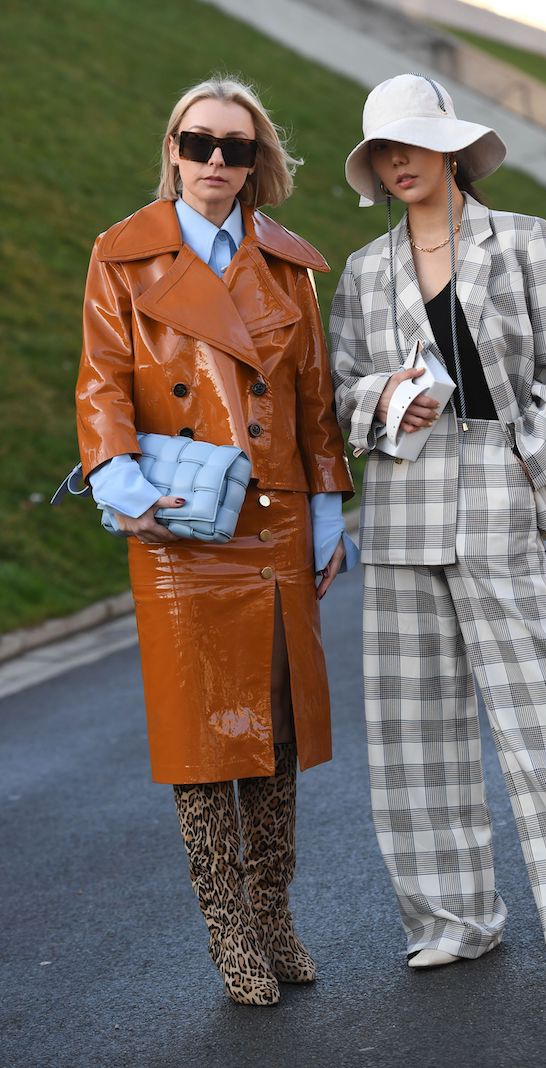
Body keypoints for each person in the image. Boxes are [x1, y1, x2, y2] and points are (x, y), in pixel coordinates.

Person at [330, 73, 546, 978]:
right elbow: (342, 387)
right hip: (400, 500)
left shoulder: (525, 242)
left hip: (494, 484)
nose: (399, 162)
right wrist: (387, 400)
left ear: (451, 147)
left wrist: (519, 469)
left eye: (411, 143)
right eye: (383, 150)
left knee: (543, 717)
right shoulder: (365, 268)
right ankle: (451, 921)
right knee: (411, 729)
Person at [75, 75, 356, 1006]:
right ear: (173, 147)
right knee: (202, 735)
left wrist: (326, 512)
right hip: (179, 522)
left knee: (274, 732)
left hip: (273, 518)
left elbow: (314, 404)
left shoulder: (287, 265)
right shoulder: (123, 256)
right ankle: (227, 928)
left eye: (237, 148)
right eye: (201, 143)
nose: (217, 164)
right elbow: (103, 378)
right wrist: (118, 477)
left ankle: (275, 912)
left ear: (258, 161)